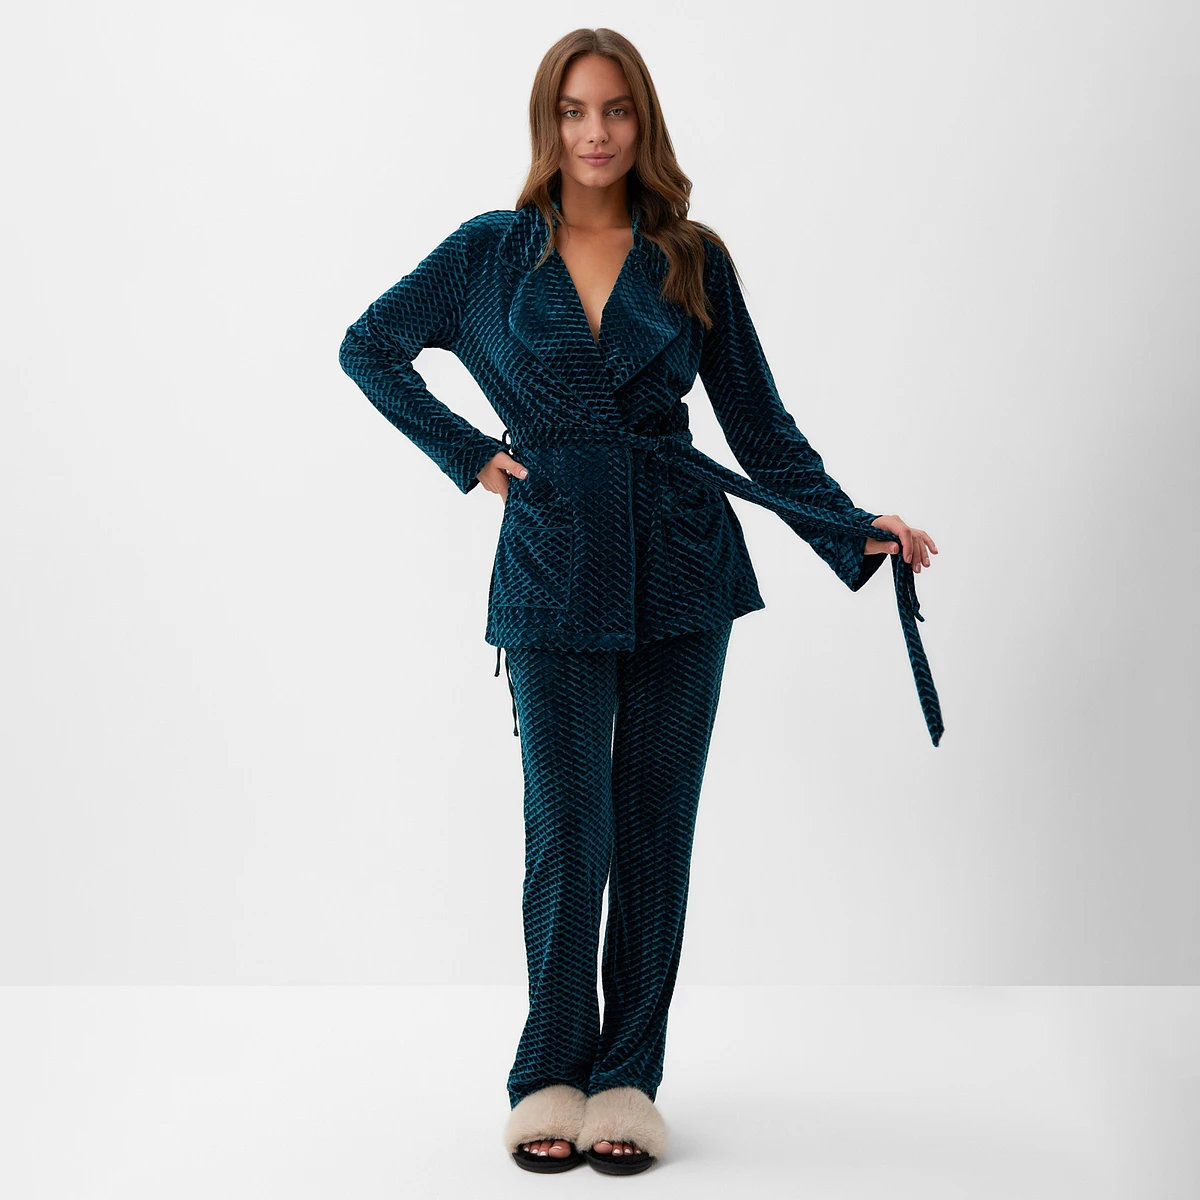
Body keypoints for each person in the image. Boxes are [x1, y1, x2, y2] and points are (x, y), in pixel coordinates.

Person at [338, 27, 940, 1177]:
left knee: (656, 830)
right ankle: (548, 1073)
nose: (596, 132)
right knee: (569, 828)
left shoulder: (690, 259)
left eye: (615, 109)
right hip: (553, 561)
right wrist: (469, 454)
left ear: (643, 121)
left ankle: (627, 1078)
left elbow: (759, 428)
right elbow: (370, 346)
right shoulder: (492, 252)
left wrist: (855, 526)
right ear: (548, 123)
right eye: (574, 110)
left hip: (681, 562)